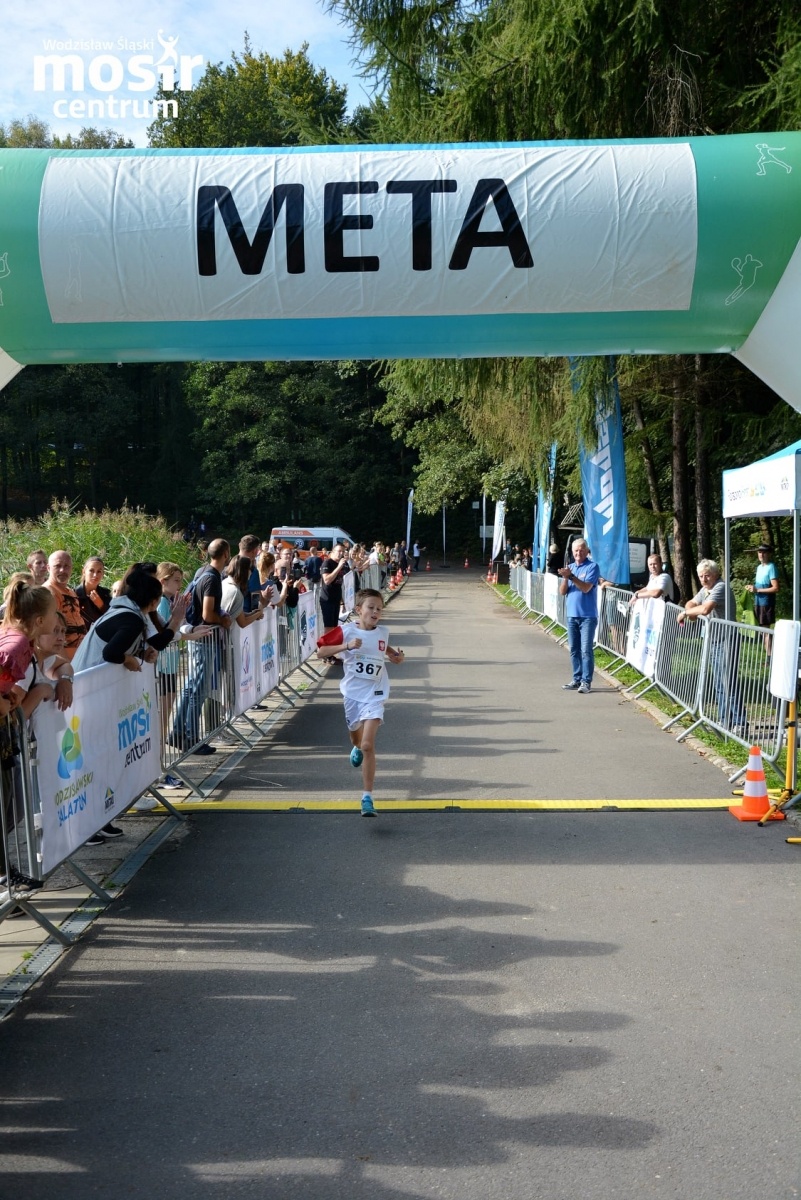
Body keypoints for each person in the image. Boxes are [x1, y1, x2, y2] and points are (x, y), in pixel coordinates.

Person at [316, 588, 405, 817]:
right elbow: (321, 651)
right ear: (359, 610)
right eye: (371, 607)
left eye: (379, 609)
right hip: (353, 696)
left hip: (375, 693)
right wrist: (346, 646)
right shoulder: (345, 631)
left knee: (368, 745)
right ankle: (354, 746)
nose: (375, 612)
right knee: (357, 740)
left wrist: (396, 657)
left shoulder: (383, 632)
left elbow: (385, 650)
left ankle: (367, 797)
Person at [171, 538, 232, 756]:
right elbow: (207, 614)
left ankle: (178, 732)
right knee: (198, 690)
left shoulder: (201, 571)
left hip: (197, 637)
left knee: (190, 687)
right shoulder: (213, 579)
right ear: (226, 554)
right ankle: (191, 738)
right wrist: (223, 620)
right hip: (204, 638)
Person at [677, 559, 747, 734]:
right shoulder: (705, 589)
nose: (703, 579)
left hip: (727, 638)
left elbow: (705, 609)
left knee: (728, 682)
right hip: (714, 639)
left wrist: (686, 613)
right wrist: (691, 610)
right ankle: (725, 721)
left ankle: (740, 722)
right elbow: (692, 603)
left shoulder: (720, 587)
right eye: (701, 576)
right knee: (718, 683)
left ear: (715, 574)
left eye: (707, 575)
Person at [558, 538, 601, 694]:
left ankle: (586, 681)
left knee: (585, 650)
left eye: (581, 550)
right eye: (576, 550)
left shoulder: (592, 567)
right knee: (574, 650)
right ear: (572, 552)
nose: (578, 553)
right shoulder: (569, 568)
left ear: (587, 551)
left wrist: (571, 577)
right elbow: (563, 592)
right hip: (572, 615)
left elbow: (585, 588)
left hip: (588, 616)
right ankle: (576, 679)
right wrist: (565, 577)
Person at [45, 550, 86, 661]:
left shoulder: (71, 592)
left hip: (80, 655)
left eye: (66, 566)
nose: (62, 570)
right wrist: (64, 664)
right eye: (57, 566)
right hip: (63, 659)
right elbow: (49, 631)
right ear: (48, 568)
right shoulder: (48, 592)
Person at [746, 543, 779, 655]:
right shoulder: (759, 567)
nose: (761, 554)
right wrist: (752, 588)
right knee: (762, 631)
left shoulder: (772, 567)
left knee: (765, 631)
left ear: (769, 554)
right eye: (760, 552)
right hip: (758, 602)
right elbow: (759, 586)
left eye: (764, 552)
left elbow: (775, 588)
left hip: (766, 603)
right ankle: (771, 656)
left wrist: (758, 590)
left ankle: (771, 658)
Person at [320, 543, 350, 635]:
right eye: (339, 551)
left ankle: (332, 645)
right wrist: (339, 567)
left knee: (334, 626)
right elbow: (327, 580)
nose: (341, 553)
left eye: (343, 551)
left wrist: (342, 602)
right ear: (333, 552)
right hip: (327, 598)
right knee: (328, 626)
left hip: (336, 598)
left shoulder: (341, 564)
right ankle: (327, 646)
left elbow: (340, 583)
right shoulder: (327, 563)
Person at [75, 557, 112, 628]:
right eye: (91, 571)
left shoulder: (107, 594)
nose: (95, 575)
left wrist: (102, 606)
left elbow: (113, 618)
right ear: (84, 572)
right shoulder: (74, 594)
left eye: (99, 571)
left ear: (103, 574)